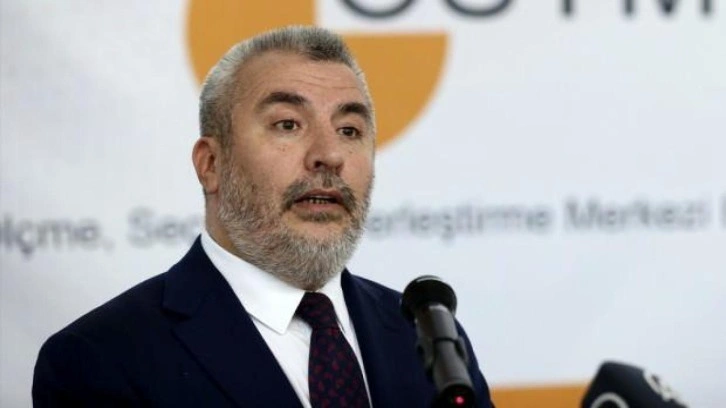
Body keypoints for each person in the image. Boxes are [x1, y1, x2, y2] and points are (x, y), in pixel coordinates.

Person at [33, 25, 494, 407]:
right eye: (287, 124)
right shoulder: (100, 360)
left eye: (349, 130)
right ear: (211, 165)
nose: (330, 154)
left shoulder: (428, 338)